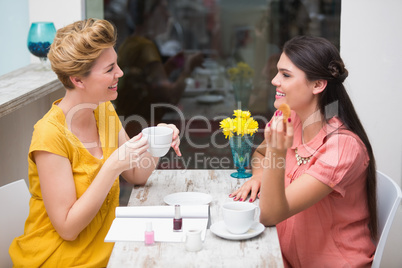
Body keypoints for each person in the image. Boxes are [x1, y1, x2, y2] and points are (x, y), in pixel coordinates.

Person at [9, 19, 181, 267]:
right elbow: (68, 228)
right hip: (57, 259)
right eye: (110, 68)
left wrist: (158, 140)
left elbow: (136, 174)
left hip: (109, 252)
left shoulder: (103, 110)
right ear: (78, 80)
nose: (120, 73)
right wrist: (112, 166)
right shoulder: (50, 135)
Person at [230, 36, 377, 267]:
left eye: (285, 75)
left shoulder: (342, 147)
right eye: (278, 72)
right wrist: (259, 176)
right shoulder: (288, 116)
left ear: (318, 85)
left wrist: (278, 153)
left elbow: (270, 215)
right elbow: (259, 155)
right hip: (282, 255)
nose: (274, 80)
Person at [114, 0, 204, 137]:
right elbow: (171, 96)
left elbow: (150, 85)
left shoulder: (130, 43)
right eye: (163, 9)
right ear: (148, 14)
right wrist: (188, 68)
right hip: (142, 130)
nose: (169, 16)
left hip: (129, 126)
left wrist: (170, 66)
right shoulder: (146, 47)